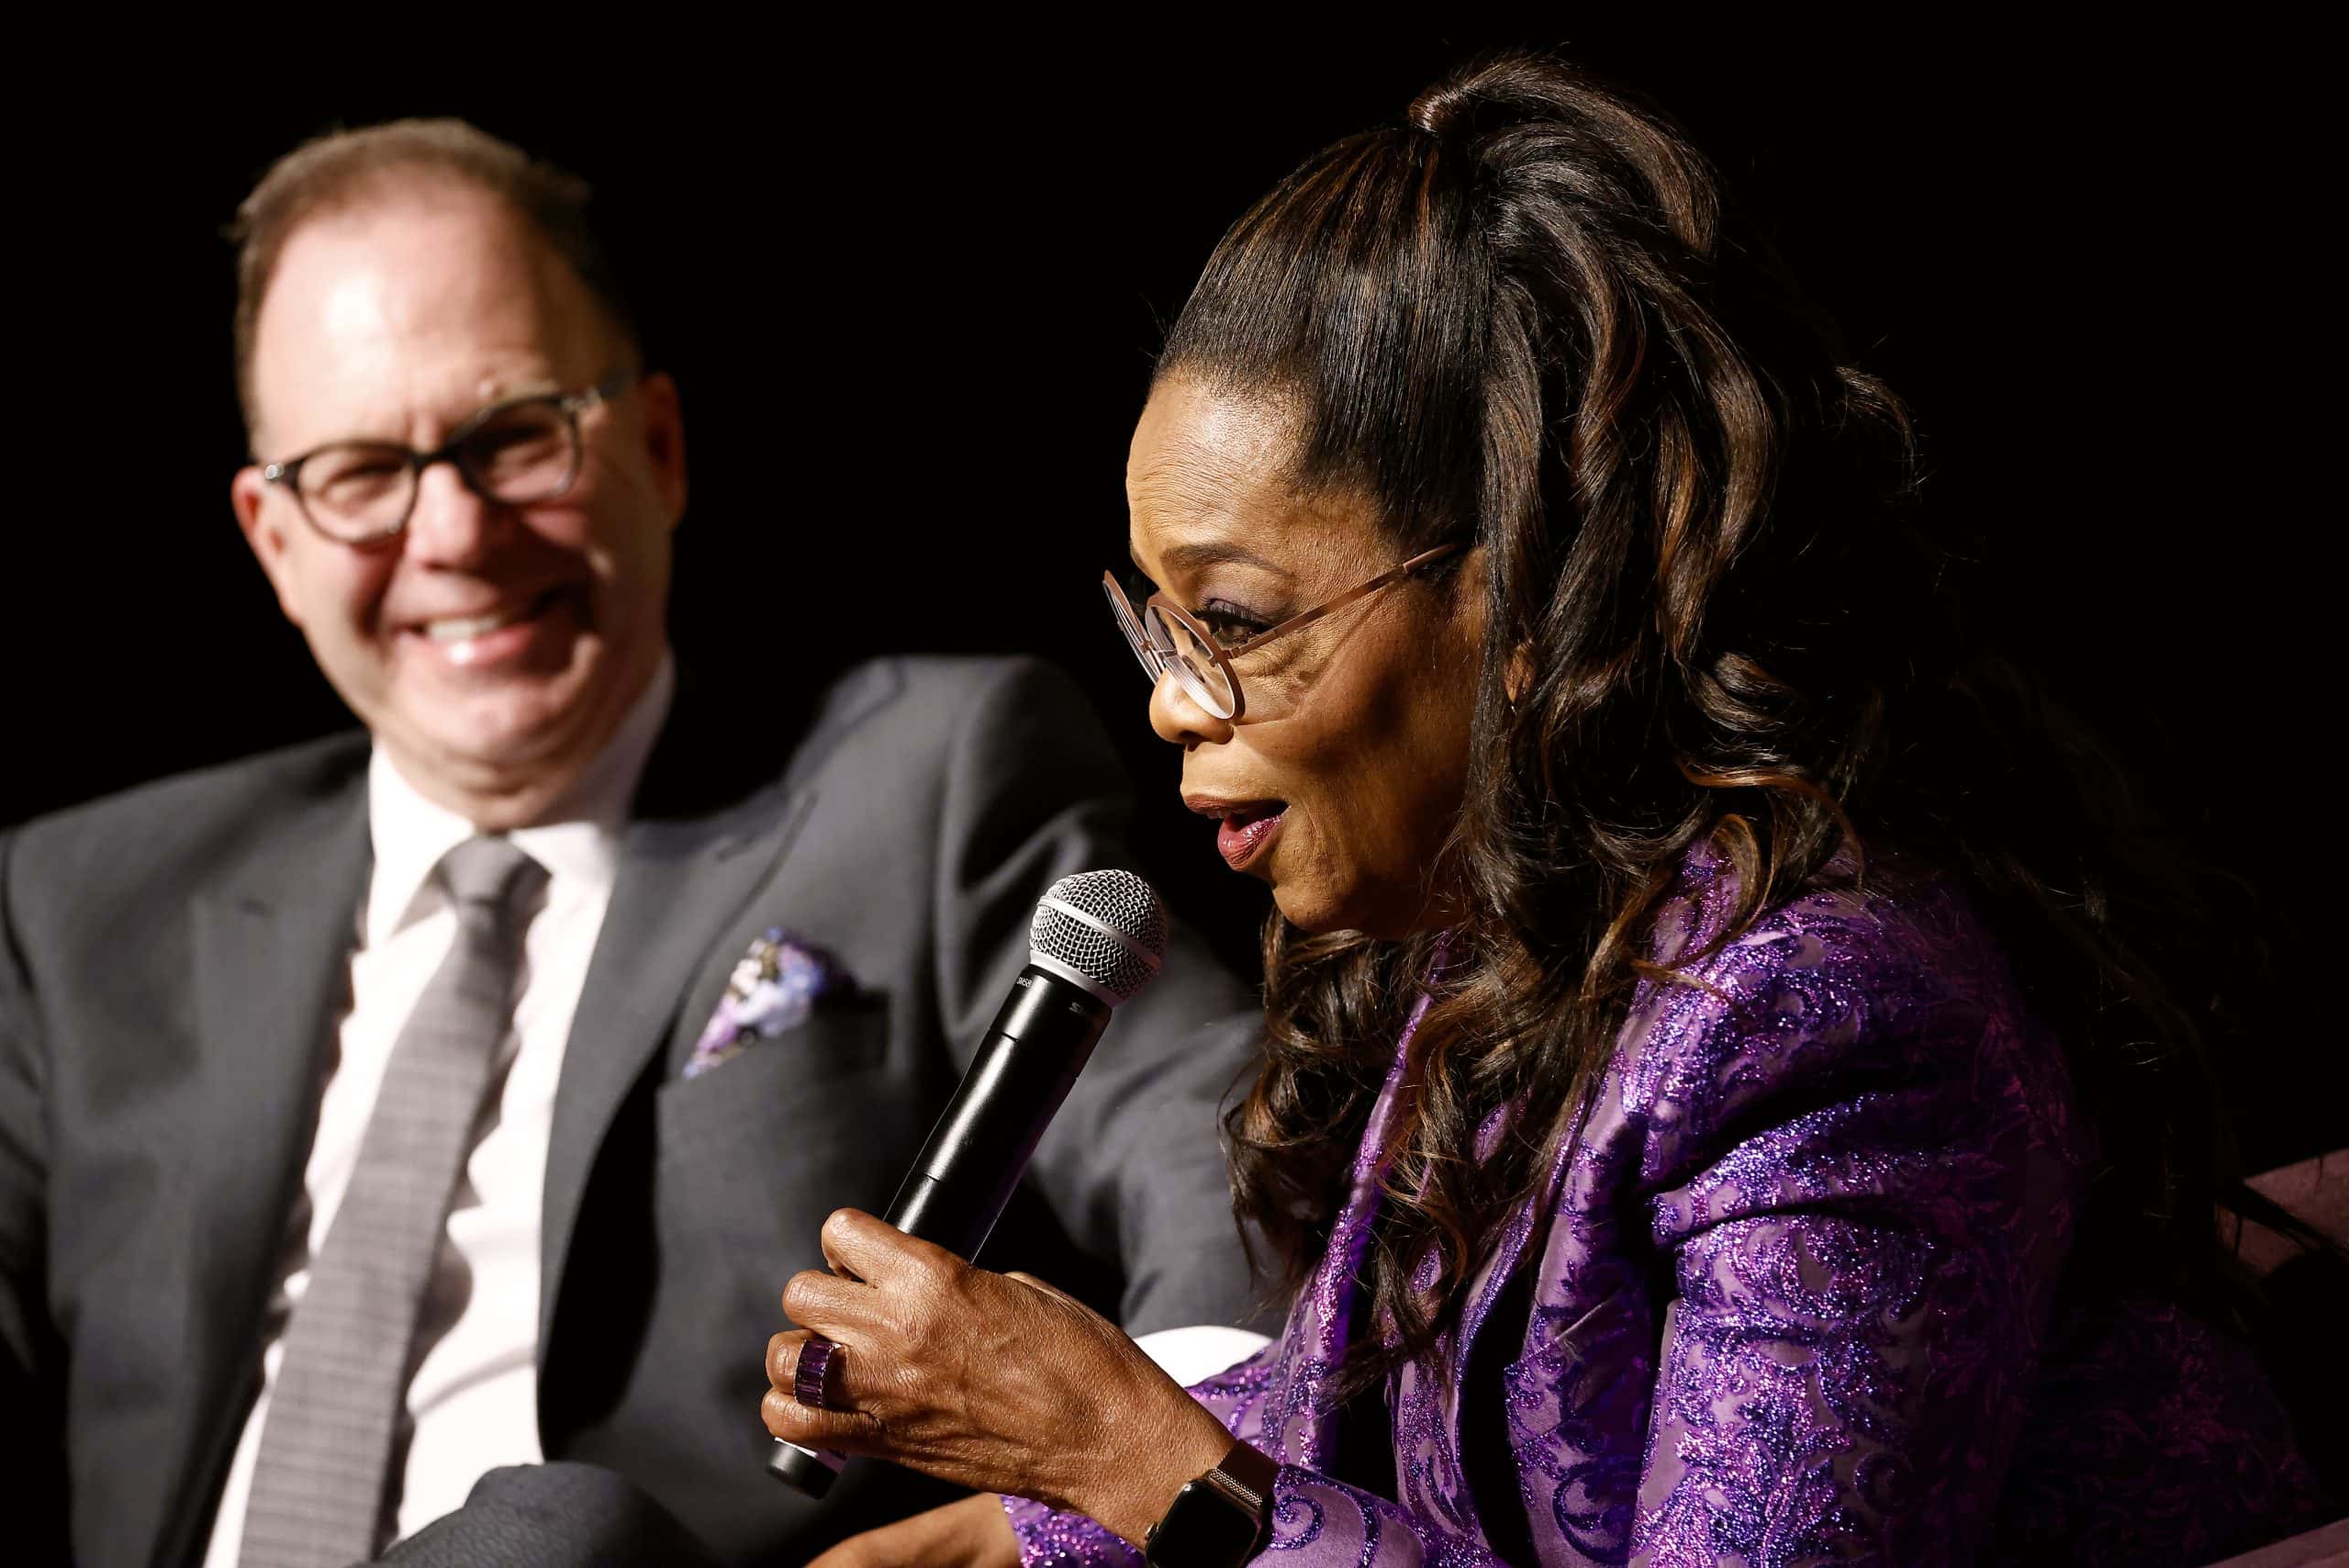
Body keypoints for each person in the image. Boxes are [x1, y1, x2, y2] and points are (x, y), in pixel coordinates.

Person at [762, 51, 2325, 1567]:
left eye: (1235, 623)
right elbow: (1384, 1440)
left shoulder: (1826, 1023)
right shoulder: (1506, 953)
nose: (1172, 700)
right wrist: (1025, 1524)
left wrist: (1112, 1451)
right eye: (1155, 626)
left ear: (1527, 592)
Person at [0, 119, 1265, 1567]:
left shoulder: (924, 777)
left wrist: (1102, 1508)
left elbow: (1214, 1144)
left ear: (658, 448)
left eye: (515, 435)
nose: (456, 533)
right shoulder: (73, 905)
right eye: (359, 473)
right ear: (273, 537)